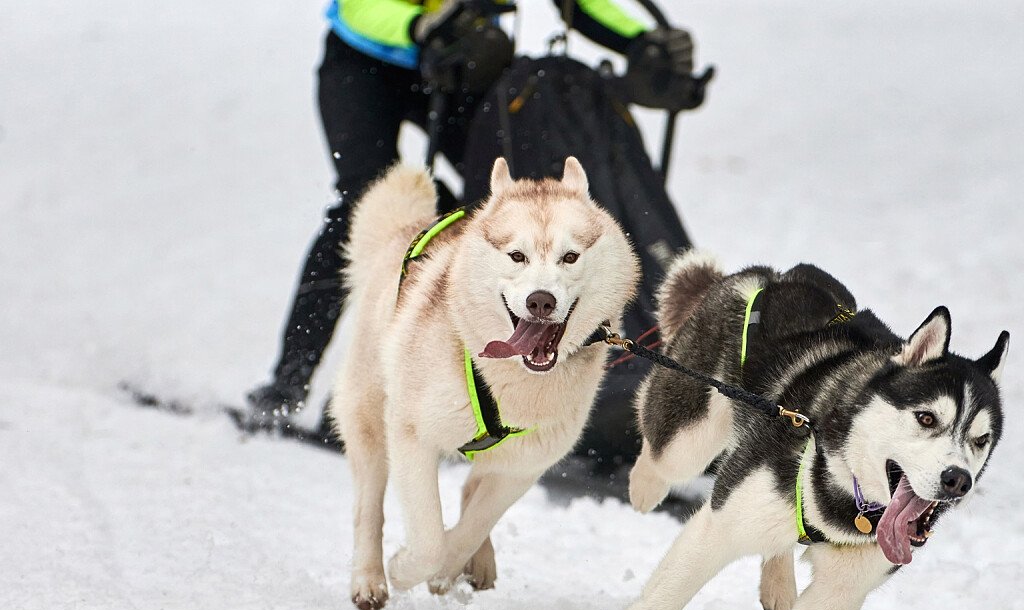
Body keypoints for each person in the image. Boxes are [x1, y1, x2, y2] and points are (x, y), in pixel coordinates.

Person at [246, 0, 697, 430]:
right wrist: (424, 26)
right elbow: (359, 7)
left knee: (494, 211)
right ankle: (292, 379)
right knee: (368, 207)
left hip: (466, 64)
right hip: (367, 64)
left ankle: (481, 382)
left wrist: (641, 43)